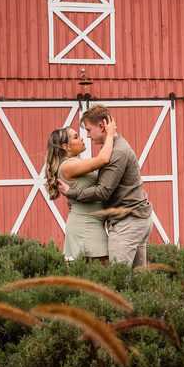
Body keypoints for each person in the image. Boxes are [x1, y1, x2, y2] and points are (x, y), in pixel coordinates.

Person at [58, 104, 152, 266]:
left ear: (101, 126)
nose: (87, 136)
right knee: (136, 280)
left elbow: (103, 192)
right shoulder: (115, 148)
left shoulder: (117, 152)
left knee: (117, 278)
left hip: (127, 224)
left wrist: (72, 194)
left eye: (88, 130)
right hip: (135, 220)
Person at [44, 119, 117, 262]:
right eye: (76, 137)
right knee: (99, 274)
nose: (82, 138)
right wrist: (110, 133)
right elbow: (103, 159)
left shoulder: (74, 163)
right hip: (86, 227)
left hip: (91, 224)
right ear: (66, 147)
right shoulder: (68, 166)